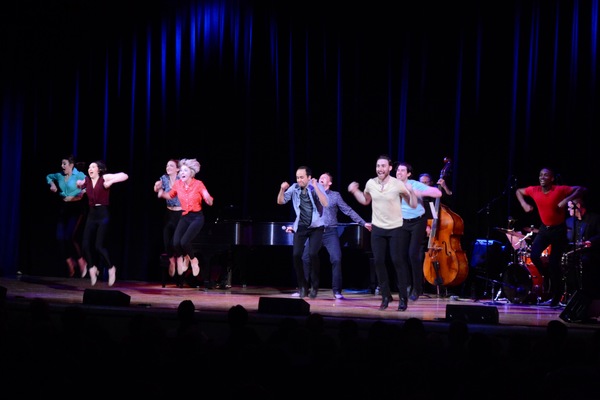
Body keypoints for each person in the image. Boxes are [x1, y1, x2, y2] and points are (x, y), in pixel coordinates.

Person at [348, 155, 417, 311]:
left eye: (383, 166)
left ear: (390, 168)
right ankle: (385, 296)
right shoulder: (371, 183)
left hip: (396, 228)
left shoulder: (398, 184)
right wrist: (355, 191)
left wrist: (412, 193)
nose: (380, 169)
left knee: (397, 261)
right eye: (378, 166)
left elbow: (412, 205)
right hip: (378, 228)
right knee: (378, 261)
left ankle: (403, 298)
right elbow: (365, 200)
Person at [515, 167, 586, 306]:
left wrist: (567, 199)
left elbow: (582, 189)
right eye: (540, 175)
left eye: (546, 175)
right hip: (544, 229)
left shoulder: (559, 190)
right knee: (534, 255)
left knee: (554, 263)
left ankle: (556, 294)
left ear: (552, 179)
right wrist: (524, 204)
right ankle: (546, 276)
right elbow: (518, 191)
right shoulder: (534, 190)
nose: (542, 177)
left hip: (559, 230)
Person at [301, 172, 372, 299]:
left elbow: (348, 210)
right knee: (305, 258)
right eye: (320, 178)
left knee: (336, 259)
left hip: (330, 232)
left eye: (324, 178)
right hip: (315, 232)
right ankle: (304, 289)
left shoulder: (335, 196)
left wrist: (363, 222)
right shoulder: (312, 194)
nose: (321, 179)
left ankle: (337, 291)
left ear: (330, 183)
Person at [277, 166, 329, 299]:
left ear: (309, 177)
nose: (299, 180)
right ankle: (302, 286)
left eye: (302, 177)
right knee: (296, 255)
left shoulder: (315, 186)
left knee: (312, 254)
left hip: (316, 226)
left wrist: (316, 187)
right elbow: (281, 201)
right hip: (301, 226)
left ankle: (315, 286)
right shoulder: (294, 188)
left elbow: (325, 203)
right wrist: (282, 189)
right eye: (297, 177)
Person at [158, 158, 214, 279]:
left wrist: (208, 198)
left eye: (185, 171)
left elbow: (206, 195)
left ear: (191, 173)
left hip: (197, 218)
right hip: (185, 216)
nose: (182, 173)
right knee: (175, 243)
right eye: (181, 171)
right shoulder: (178, 184)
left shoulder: (198, 184)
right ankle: (187, 257)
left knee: (184, 242)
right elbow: (170, 195)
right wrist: (161, 193)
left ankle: (193, 261)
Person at [77, 160, 129, 286]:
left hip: (103, 214)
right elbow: (81, 191)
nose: (90, 168)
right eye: (89, 167)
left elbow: (124, 175)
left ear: (98, 170)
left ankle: (111, 268)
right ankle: (92, 268)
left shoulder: (104, 178)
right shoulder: (87, 182)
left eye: (93, 166)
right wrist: (79, 187)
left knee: (98, 246)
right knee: (84, 244)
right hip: (92, 214)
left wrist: (111, 182)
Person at [396, 162, 442, 301]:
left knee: (412, 255)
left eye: (402, 170)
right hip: (402, 222)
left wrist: (417, 192)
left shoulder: (415, 184)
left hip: (418, 221)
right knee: (401, 255)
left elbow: (437, 193)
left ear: (408, 174)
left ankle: (418, 288)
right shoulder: (392, 185)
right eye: (398, 170)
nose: (399, 172)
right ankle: (407, 285)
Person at [46, 155, 88, 278]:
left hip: (76, 209)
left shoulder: (80, 175)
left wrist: (76, 195)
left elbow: (85, 189)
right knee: (59, 237)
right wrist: (52, 185)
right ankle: (70, 261)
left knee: (70, 237)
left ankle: (81, 261)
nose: (62, 166)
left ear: (71, 165)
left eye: (64, 164)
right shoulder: (60, 175)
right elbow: (48, 176)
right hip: (64, 210)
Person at [564, 196, 600, 299]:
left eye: (570, 207)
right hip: (575, 253)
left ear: (578, 206)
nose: (568, 210)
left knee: (585, 262)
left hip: (591, 252)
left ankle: (587, 295)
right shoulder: (569, 222)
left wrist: (591, 241)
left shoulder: (594, 218)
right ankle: (570, 294)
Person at [153, 159, 182, 278]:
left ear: (177, 169)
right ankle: (171, 261)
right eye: (167, 165)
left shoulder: (182, 178)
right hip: (169, 213)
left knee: (175, 241)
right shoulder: (164, 178)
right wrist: (156, 186)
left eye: (171, 166)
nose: (168, 167)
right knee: (166, 241)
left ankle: (180, 258)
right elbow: (156, 189)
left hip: (180, 213)